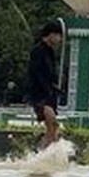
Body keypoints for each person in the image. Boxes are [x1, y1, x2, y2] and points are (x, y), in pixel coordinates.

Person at [25, 21, 64, 150]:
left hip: (48, 93)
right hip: (40, 94)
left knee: (53, 126)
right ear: (51, 35)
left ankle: (44, 151)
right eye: (58, 36)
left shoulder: (50, 52)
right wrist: (45, 89)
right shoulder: (38, 51)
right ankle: (42, 152)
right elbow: (36, 73)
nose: (60, 39)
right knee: (51, 122)